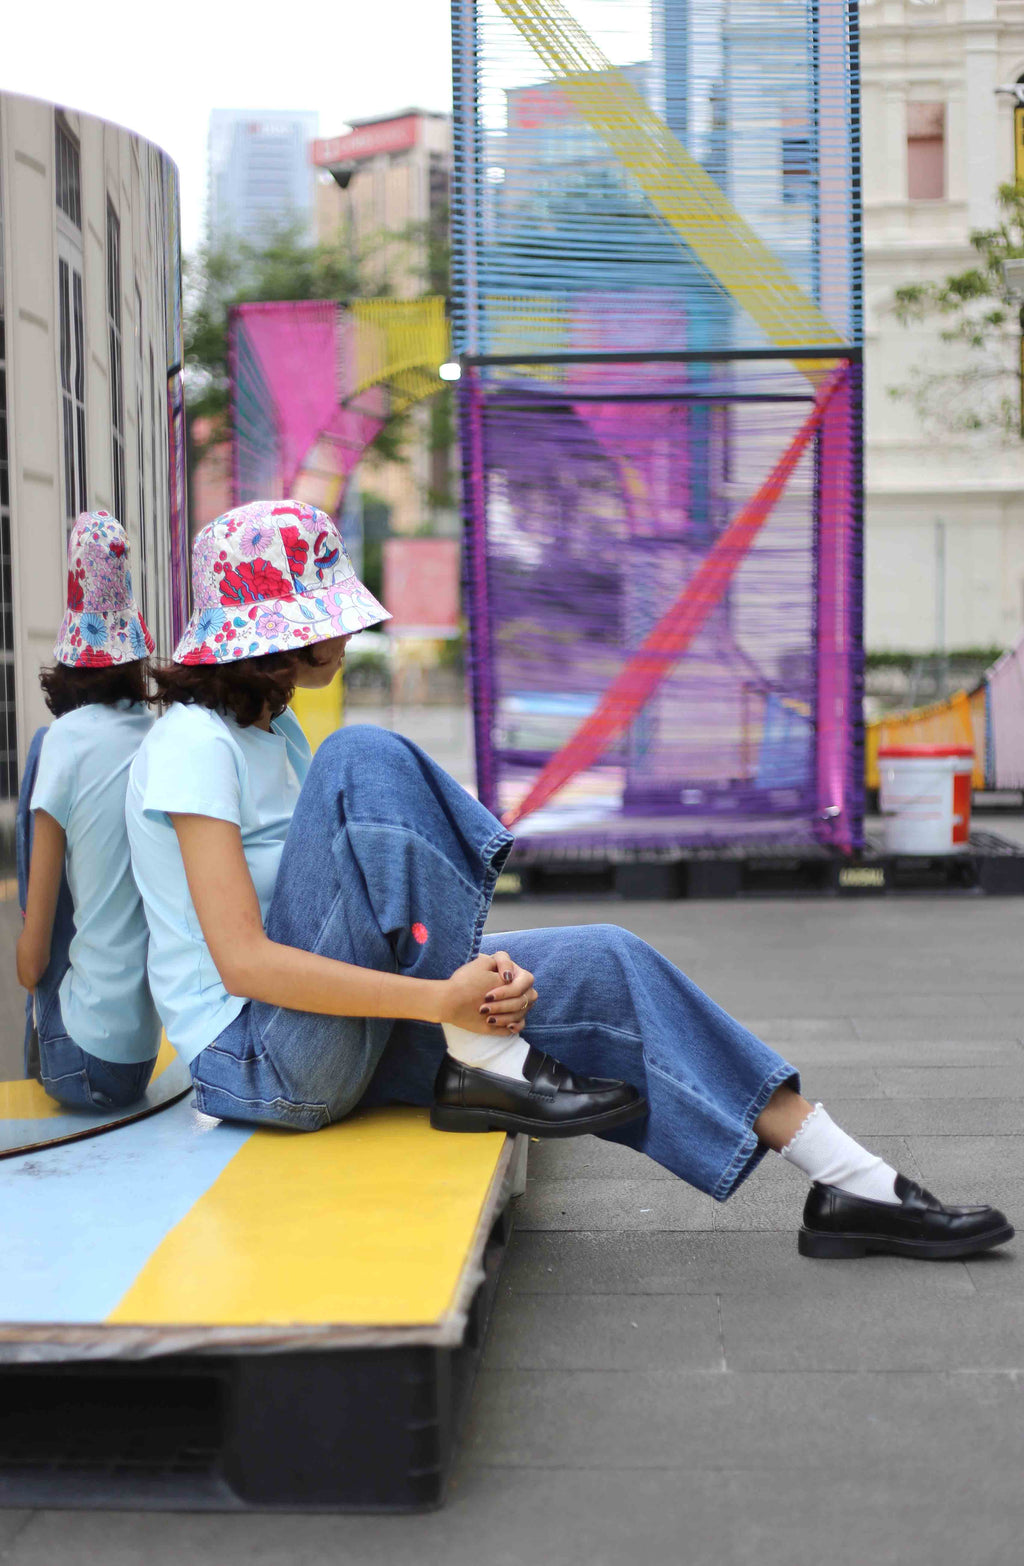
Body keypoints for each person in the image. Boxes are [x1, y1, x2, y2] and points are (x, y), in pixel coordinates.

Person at [125, 500, 1013, 1262]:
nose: (348, 631)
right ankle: (483, 1054)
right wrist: (444, 1003)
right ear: (278, 633)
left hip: (326, 1034)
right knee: (362, 755)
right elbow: (244, 963)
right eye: (328, 613)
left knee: (606, 958)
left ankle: (854, 1184)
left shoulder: (270, 736)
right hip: (257, 1061)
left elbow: (337, 916)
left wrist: (470, 985)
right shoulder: (191, 745)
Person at [16, 511, 161, 1110]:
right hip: (139, 1056)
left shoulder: (62, 743)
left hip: (80, 1056)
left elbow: (32, 967)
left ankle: (38, 1061)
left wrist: (31, 952)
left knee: (39, 751)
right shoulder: (157, 735)